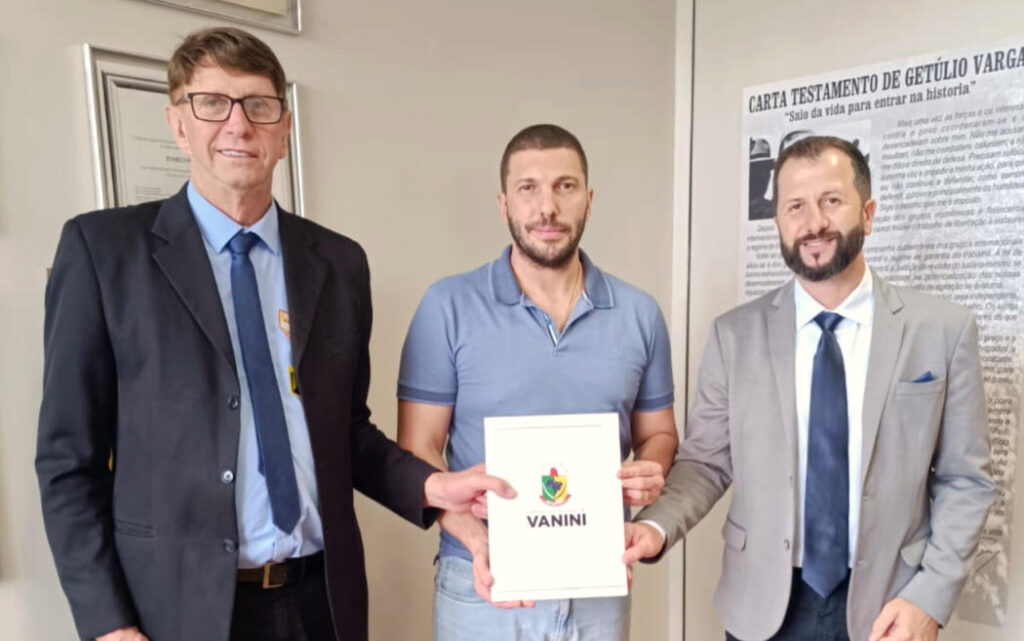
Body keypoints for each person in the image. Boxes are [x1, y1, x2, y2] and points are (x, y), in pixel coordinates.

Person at [36, 27, 510, 641]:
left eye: (259, 105)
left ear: (283, 130)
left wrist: (432, 485)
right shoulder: (102, 253)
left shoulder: (339, 263)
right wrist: (108, 624)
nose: (238, 125)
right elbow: (67, 462)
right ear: (178, 125)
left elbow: (345, 432)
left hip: (322, 603)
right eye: (212, 103)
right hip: (175, 612)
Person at [624, 136, 995, 641]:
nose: (814, 222)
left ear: (868, 213)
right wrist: (653, 526)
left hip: (891, 606)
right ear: (778, 221)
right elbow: (705, 462)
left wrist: (929, 597)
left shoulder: (943, 330)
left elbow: (965, 481)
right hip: (762, 606)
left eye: (832, 200)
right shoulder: (734, 335)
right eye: (795, 206)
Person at [396, 123, 679, 641]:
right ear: (503, 204)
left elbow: (659, 433)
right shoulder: (447, 307)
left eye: (564, 186)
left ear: (588, 199)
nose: (547, 208)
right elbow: (418, 449)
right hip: (482, 578)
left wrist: (650, 470)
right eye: (528, 188)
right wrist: (477, 540)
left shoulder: (640, 314)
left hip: (598, 580)